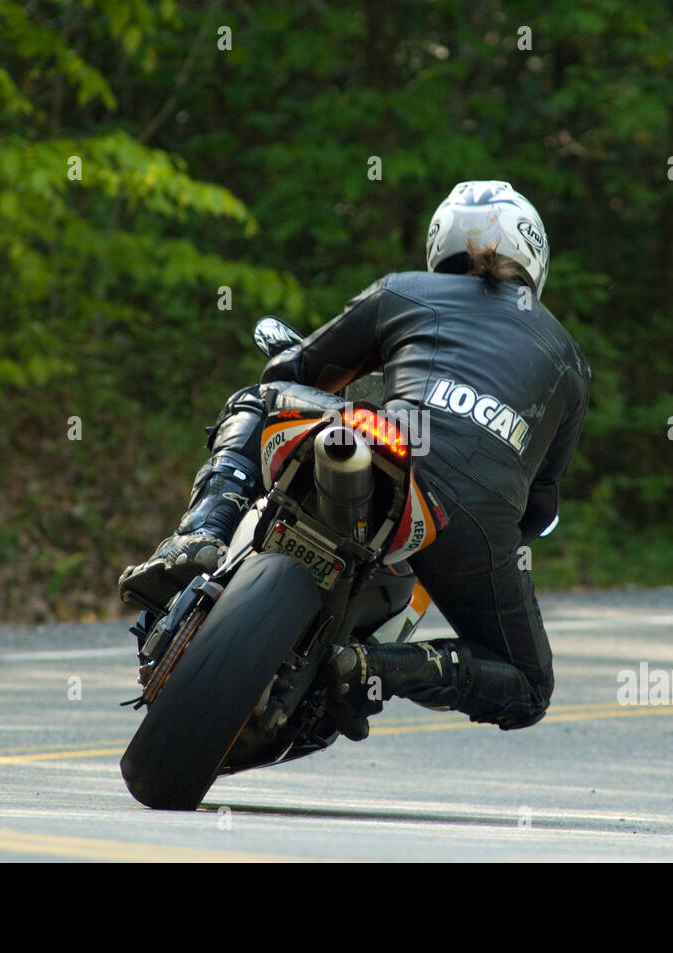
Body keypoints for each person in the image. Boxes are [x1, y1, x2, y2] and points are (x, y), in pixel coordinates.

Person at [119, 181, 589, 741]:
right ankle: (376, 668)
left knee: (254, 400)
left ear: (440, 244)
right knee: (528, 685)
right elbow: (538, 506)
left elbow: (295, 372)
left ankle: (200, 536)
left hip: (384, 441)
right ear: (534, 257)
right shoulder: (567, 359)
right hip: (473, 521)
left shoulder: (403, 291)